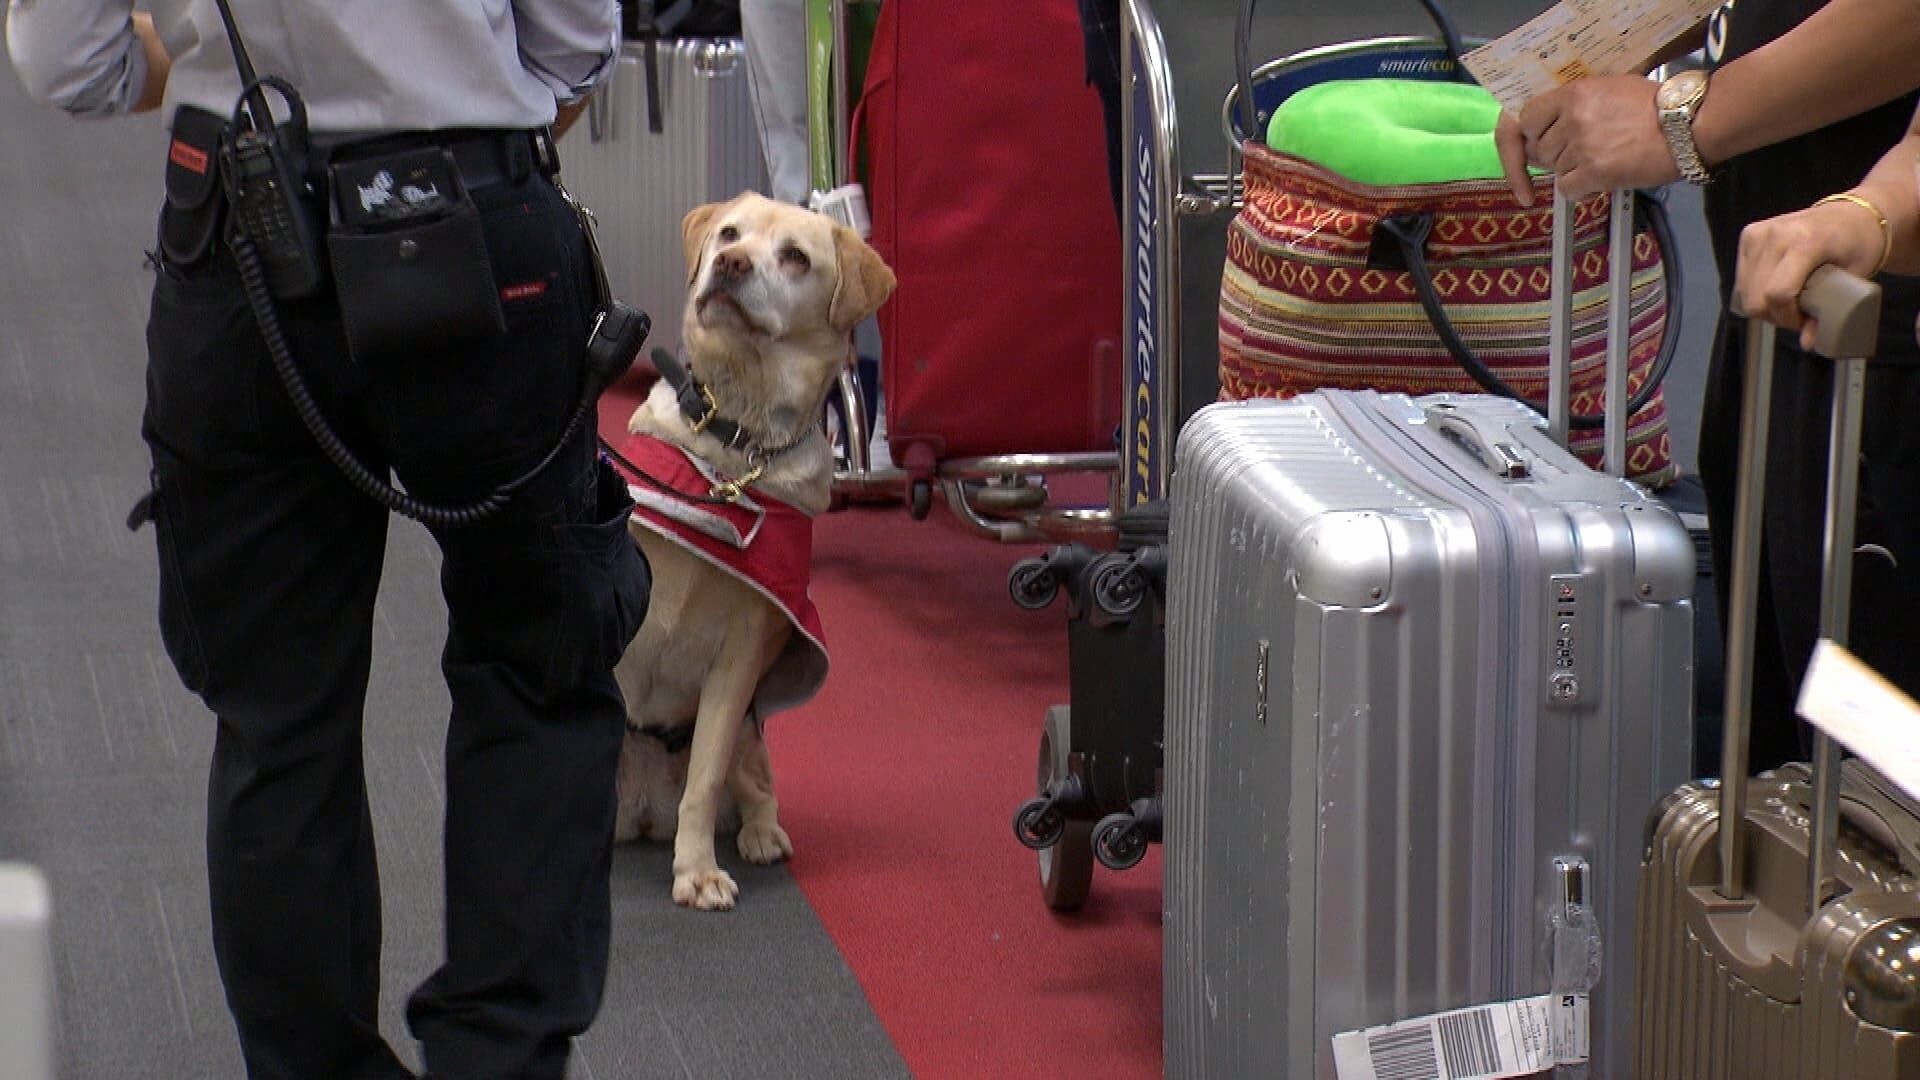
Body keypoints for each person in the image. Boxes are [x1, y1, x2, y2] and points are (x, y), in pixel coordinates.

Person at [8, 3, 652, 1078]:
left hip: (244, 236)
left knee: (279, 718)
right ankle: (499, 1058)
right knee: (537, 672)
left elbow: (66, 59)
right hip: (481, 221)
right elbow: (575, 40)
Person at [1492, 0, 1920, 775]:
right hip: (1778, 298)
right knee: (1783, 770)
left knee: (1874, 787)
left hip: (1872, 341)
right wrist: (1584, 50)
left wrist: (1685, 119)